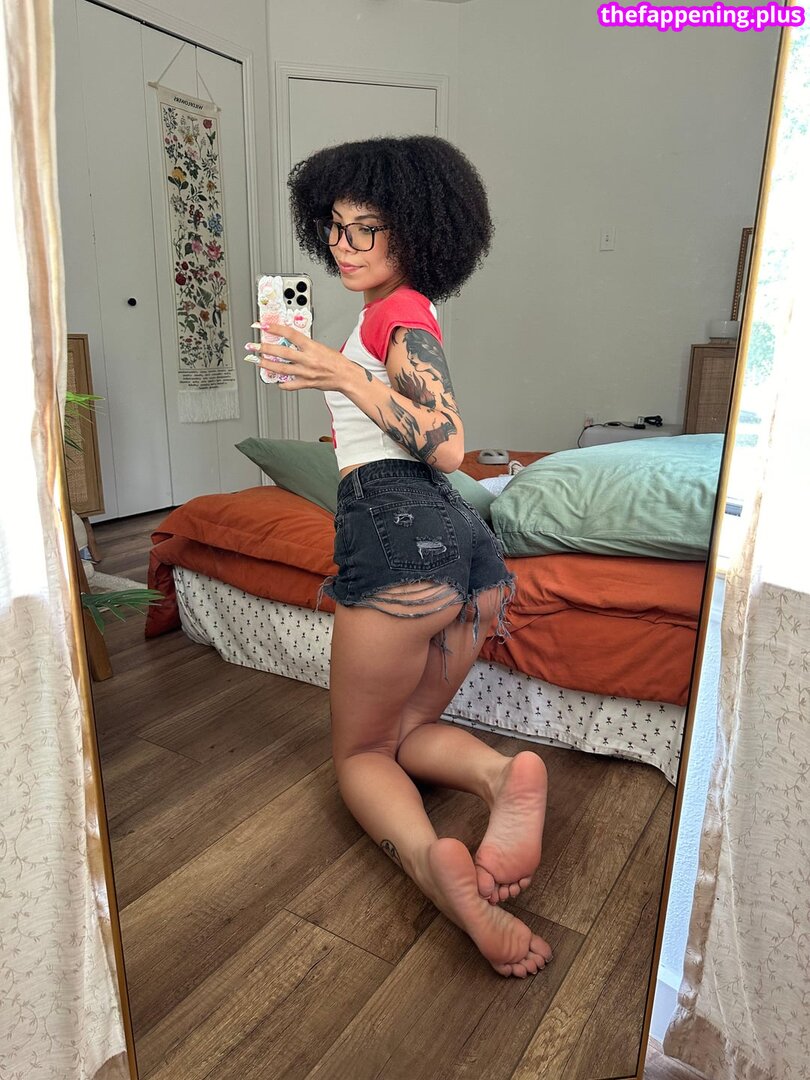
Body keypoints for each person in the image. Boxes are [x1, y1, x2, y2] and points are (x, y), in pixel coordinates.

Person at [246, 135, 552, 978]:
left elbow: (446, 442)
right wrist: (335, 375)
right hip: (469, 555)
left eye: (366, 228)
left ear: (414, 231)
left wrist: (343, 378)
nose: (343, 245)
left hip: (396, 533)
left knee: (360, 756)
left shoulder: (397, 312)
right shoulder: (392, 314)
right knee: (407, 729)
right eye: (335, 227)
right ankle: (501, 778)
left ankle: (431, 868)